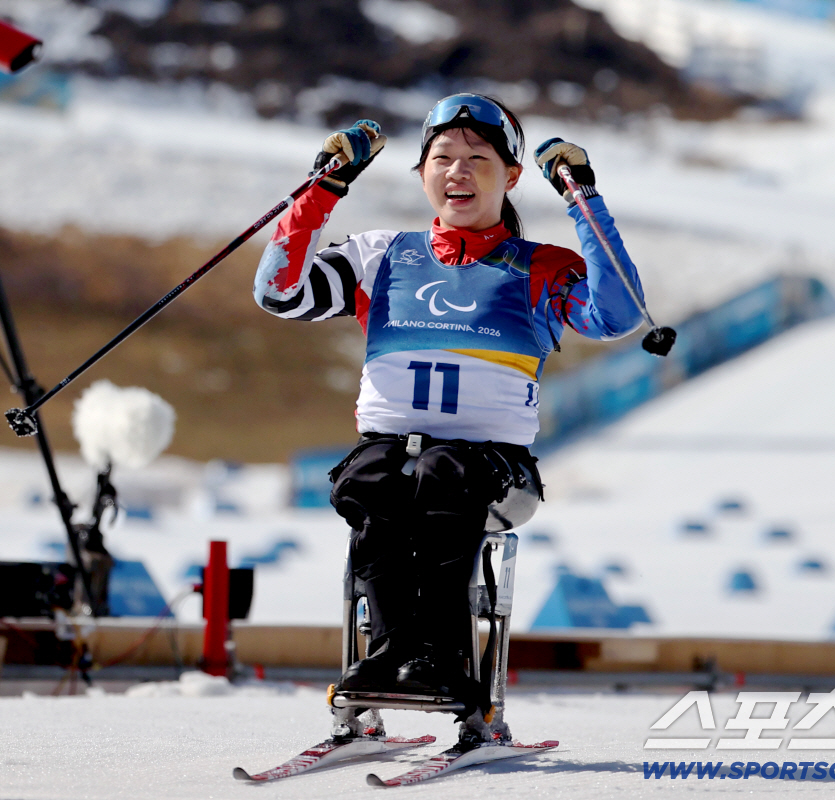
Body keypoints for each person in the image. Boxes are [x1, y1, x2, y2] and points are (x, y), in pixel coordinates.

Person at [253, 93, 647, 718]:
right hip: (388, 452)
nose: (456, 172)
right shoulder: (380, 255)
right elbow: (279, 292)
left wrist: (582, 198)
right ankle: (387, 654)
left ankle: (442, 659)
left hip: (495, 467)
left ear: (511, 175)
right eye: (441, 158)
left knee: (441, 475)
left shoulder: (540, 268)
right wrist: (323, 188)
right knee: (371, 480)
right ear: (421, 172)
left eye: (476, 158)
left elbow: (619, 314)